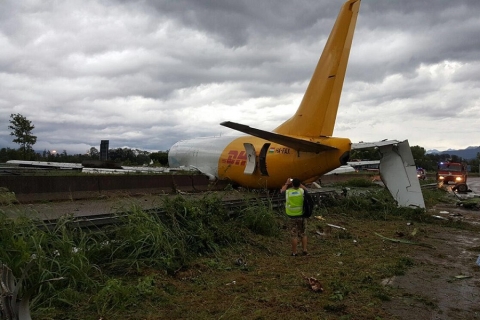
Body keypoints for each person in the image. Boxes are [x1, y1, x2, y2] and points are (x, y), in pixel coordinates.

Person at [280, 178, 309, 256]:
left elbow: (282, 191)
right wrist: (300, 184)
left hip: (292, 216)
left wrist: (286, 183)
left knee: (294, 235)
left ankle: (294, 252)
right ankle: (304, 250)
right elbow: (307, 190)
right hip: (301, 216)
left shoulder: (288, 192)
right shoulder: (302, 191)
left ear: (292, 184)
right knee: (303, 233)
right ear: (299, 184)